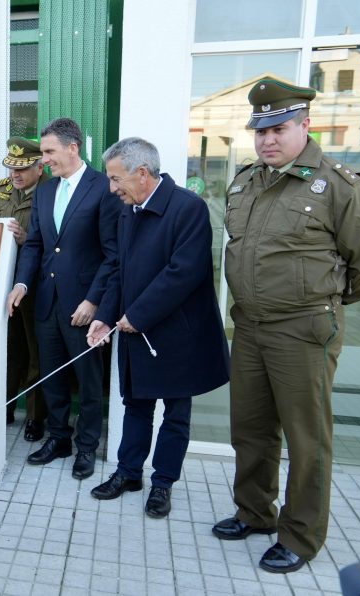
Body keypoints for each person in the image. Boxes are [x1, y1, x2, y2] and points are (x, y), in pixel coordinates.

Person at [213, 78, 360, 573]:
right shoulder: (246, 181)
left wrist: (321, 302)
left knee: (306, 439)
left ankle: (301, 535)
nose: (268, 139)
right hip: (249, 327)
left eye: (279, 128)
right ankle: (254, 512)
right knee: (250, 430)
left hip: (304, 331)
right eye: (260, 130)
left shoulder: (338, 186)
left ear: (304, 126)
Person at [86, 137, 229, 518]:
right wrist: (104, 316)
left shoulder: (189, 209)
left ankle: (162, 483)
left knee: (175, 413)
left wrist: (137, 315)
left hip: (178, 334)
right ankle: (128, 472)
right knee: (135, 405)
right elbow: (118, 269)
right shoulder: (127, 210)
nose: (112, 188)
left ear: (143, 173)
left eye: (117, 179)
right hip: (133, 327)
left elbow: (182, 274)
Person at [7, 117, 119, 480]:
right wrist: (22, 284)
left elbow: (112, 253)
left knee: (87, 380)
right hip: (46, 303)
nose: (45, 160)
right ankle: (59, 438)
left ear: (73, 148)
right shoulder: (44, 191)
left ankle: (86, 445)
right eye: (43, 153)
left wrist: (93, 301)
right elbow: (36, 244)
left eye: (50, 152)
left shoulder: (103, 188)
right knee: (52, 376)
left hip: (83, 307)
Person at [0, 137, 49, 441]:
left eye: (22, 170)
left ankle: (35, 417)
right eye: (11, 169)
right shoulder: (2, 191)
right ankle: (5, 406)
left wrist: (26, 238)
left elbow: (59, 243)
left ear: (39, 166)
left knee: (37, 352)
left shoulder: (51, 193)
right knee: (8, 349)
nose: (15, 175)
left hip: (37, 285)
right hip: (4, 286)